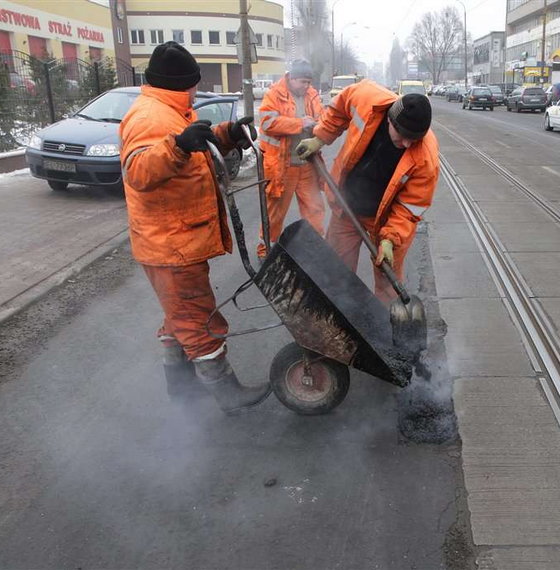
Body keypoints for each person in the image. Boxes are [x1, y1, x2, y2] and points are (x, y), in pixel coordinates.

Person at [119, 41, 269, 415]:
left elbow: (192, 140)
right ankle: (226, 393)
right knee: (197, 317)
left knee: (179, 315)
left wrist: (227, 133)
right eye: (194, 84)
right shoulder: (149, 117)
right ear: (182, 83)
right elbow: (138, 170)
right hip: (170, 243)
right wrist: (177, 147)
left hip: (176, 238)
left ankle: (183, 389)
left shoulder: (170, 109)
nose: (196, 91)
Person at [296, 81, 439, 303]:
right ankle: (337, 323)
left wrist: (390, 239)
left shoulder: (426, 158)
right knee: (336, 272)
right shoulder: (366, 97)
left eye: (414, 139)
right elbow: (338, 109)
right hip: (346, 208)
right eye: (401, 135)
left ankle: (382, 329)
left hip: (385, 222)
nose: (406, 144)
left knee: (388, 284)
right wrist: (320, 138)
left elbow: (410, 208)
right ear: (390, 119)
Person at [257, 59, 325, 257]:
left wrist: (318, 125)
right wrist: (299, 123)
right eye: (303, 82)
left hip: (307, 164)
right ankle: (266, 252)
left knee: (315, 210)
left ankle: (316, 251)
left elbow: (322, 116)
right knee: (274, 214)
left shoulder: (312, 94)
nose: (307, 86)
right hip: (282, 167)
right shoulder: (274, 93)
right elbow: (267, 123)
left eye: (309, 82)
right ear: (292, 78)